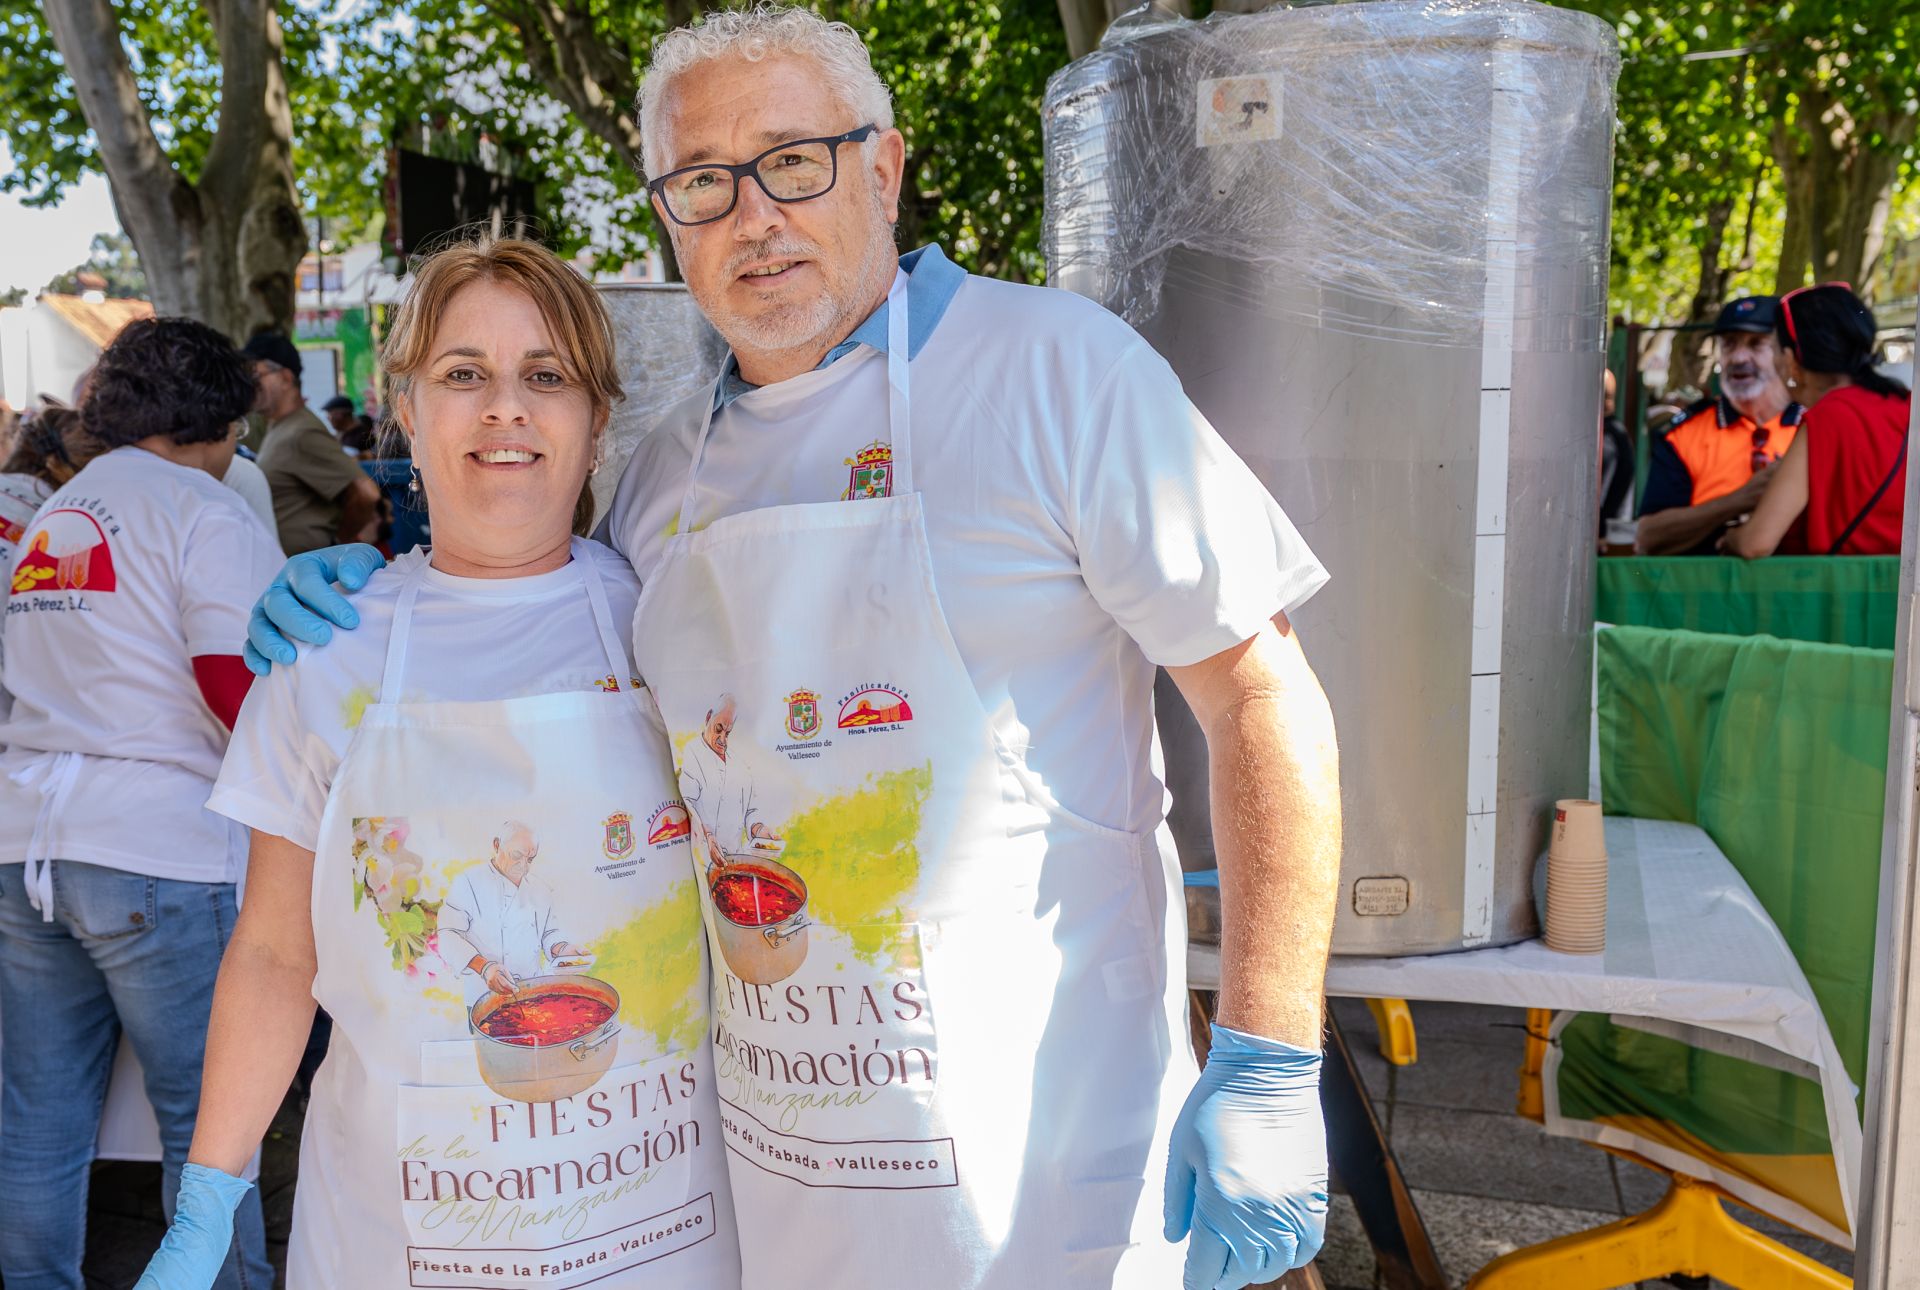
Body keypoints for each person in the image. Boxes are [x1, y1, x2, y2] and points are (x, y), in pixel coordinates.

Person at [248, 8, 1342, 1288]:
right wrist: (367, 593)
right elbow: (531, 636)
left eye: (794, 161)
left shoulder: (1058, 371)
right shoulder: (662, 476)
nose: (752, 215)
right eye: (704, 183)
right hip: (768, 1190)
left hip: (1042, 1171)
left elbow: (1262, 697)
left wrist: (1271, 1052)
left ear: (882, 167)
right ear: (667, 213)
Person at [137, 237, 738, 1290]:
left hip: (656, 1221)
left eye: (545, 376)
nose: (505, 406)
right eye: (464, 374)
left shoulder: (672, 616)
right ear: (406, 411)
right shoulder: (324, 650)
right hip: (404, 1231)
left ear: (597, 420)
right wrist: (207, 1200)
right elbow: (279, 955)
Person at [0, 318, 281, 1290]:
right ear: (224, 417)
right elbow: (233, 683)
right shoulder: (204, 511)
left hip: (26, 846)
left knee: (37, 1122)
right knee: (212, 1129)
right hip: (158, 853)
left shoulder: (59, 514)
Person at [1724, 284, 1912, 559]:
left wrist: (1731, 538)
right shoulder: (1907, 405)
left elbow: (1756, 542)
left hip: (1849, 595)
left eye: (1774, 348)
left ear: (1790, 360)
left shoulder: (1827, 417)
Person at [1636, 296, 1804, 555]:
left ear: (1785, 353)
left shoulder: (1812, 426)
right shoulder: (1685, 433)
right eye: (1728, 345)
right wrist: (1738, 500)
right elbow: (1648, 537)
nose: (1738, 357)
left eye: (1756, 344)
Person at [245, 332, 380, 553]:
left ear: (286, 378)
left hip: (304, 577)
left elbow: (366, 492)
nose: (251, 383)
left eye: (256, 374)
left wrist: (339, 543)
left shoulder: (302, 432)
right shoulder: (281, 426)